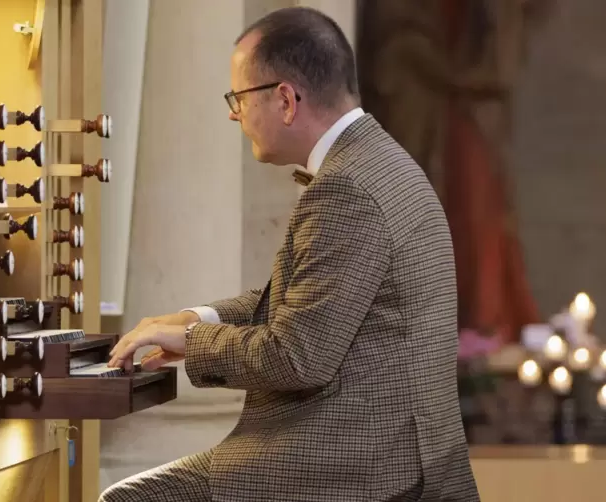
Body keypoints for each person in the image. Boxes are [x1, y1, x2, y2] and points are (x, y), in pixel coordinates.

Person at [101, 6, 479, 502]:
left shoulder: (346, 188)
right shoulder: (380, 160)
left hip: (356, 470)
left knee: (126, 498)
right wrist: (196, 317)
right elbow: (303, 301)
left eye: (238, 97)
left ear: (284, 99)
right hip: (395, 456)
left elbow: (296, 358)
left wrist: (195, 340)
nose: (233, 113)